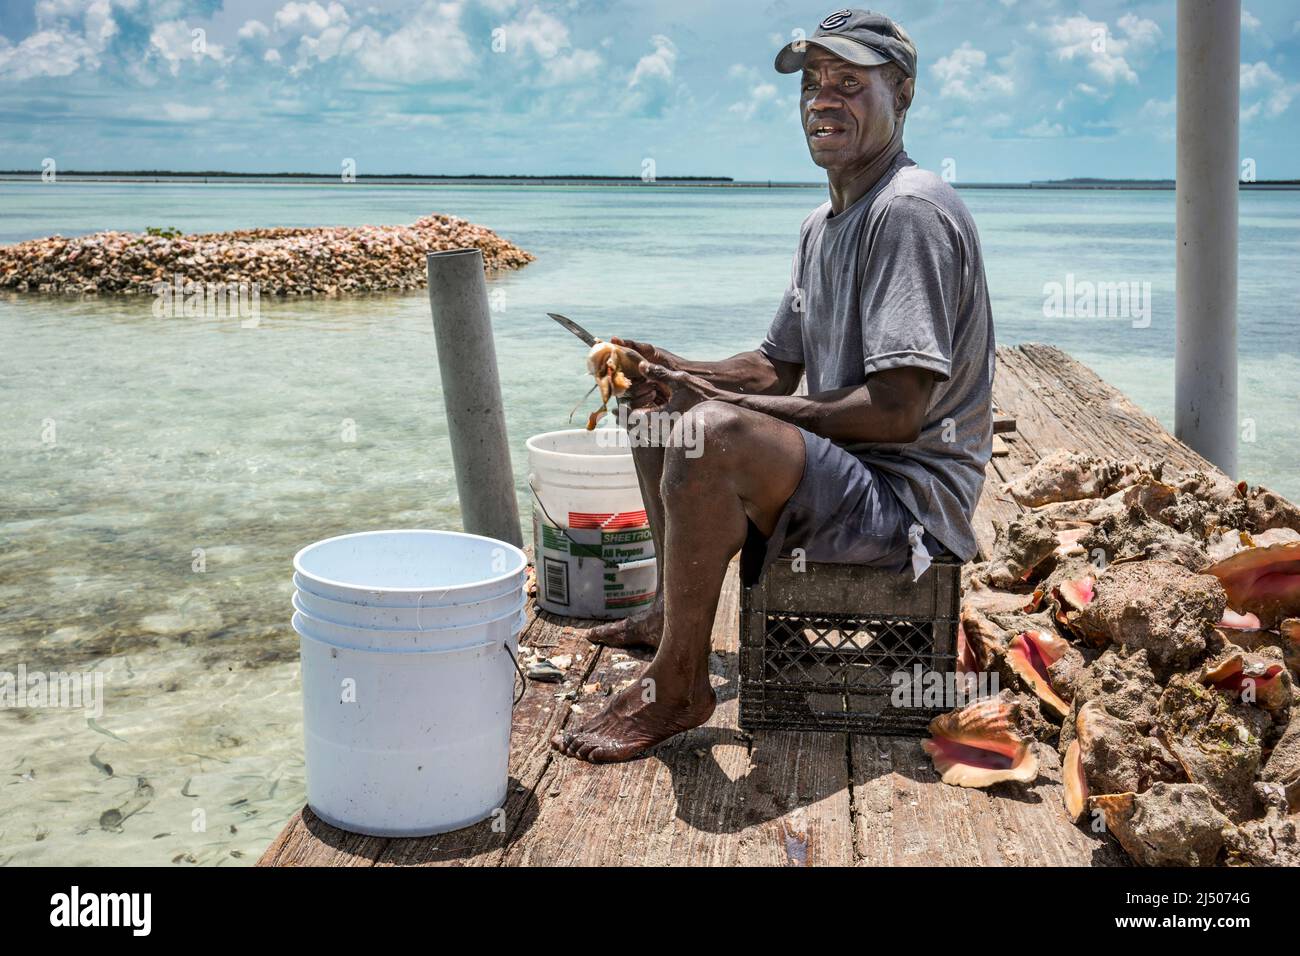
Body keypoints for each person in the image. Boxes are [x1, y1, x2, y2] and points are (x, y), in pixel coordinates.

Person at [552, 8, 995, 763]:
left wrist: (719, 407)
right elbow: (771, 364)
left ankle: (681, 684)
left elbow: (895, 413)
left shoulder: (908, 211)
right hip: (849, 479)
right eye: (813, 85)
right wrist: (670, 367)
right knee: (652, 408)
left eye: (850, 84)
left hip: (910, 510)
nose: (824, 99)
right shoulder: (824, 223)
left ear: (905, 93)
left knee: (712, 433)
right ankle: (668, 617)